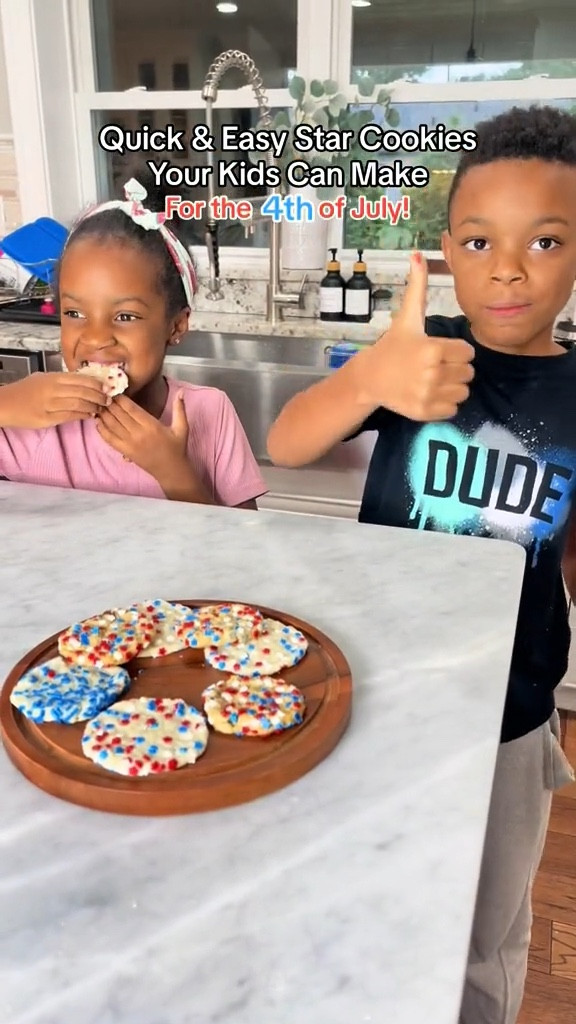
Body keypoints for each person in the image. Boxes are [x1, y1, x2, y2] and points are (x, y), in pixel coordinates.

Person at [267, 104, 576, 1024]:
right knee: (369, 890)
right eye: (479, 242)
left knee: (485, 931)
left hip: (511, 710)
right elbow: (287, 444)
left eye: (546, 241)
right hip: (381, 687)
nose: (508, 268)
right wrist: (370, 378)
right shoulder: (418, 354)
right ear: (446, 251)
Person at [0, 179, 266, 508]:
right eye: (74, 312)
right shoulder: (35, 419)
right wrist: (6, 402)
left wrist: (173, 473)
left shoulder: (211, 412)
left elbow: (240, 536)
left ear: (176, 325)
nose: (96, 337)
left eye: (125, 316)